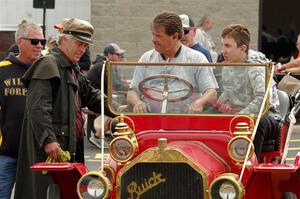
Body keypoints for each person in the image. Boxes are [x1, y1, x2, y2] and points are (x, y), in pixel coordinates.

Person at [14, 18, 108, 199]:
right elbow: (38, 109)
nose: (82, 49)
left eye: (85, 45)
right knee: (48, 193)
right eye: (79, 44)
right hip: (51, 150)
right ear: (64, 40)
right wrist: (49, 140)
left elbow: (93, 96)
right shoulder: (48, 64)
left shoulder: (71, 69)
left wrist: (119, 109)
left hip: (68, 148)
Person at [127, 11, 218, 114]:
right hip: (150, 120)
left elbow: (211, 92)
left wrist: (199, 103)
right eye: (153, 34)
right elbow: (132, 92)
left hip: (185, 121)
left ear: (175, 36)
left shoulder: (197, 59)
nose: (153, 39)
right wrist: (137, 103)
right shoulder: (146, 58)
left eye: (159, 36)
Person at [219, 24, 280, 159]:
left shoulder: (256, 66)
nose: (223, 50)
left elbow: (261, 100)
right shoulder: (227, 66)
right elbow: (227, 94)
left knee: (255, 124)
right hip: (239, 115)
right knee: (206, 115)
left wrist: (238, 117)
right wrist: (215, 106)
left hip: (266, 116)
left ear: (243, 48)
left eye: (228, 46)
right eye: (222, 45)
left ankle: (248, 166)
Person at [0, 20, 44, 199]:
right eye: (34, 41)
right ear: (20, 42)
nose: (39, 46)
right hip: (6, 154)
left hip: (36, 154)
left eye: (43, 41)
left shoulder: (45, 70)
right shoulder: (2, 71)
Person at [86, 43, 127, 148]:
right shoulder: (104, 65)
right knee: (117, 108)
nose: (120, 58)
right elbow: (114, 84)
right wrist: (131, 89)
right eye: (118, 55)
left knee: (120, 104)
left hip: (97, 97)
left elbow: (116, 83)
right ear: (109, 55)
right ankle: (98, 135)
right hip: (93, 100)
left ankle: (104, 132)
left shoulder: (106, 64)